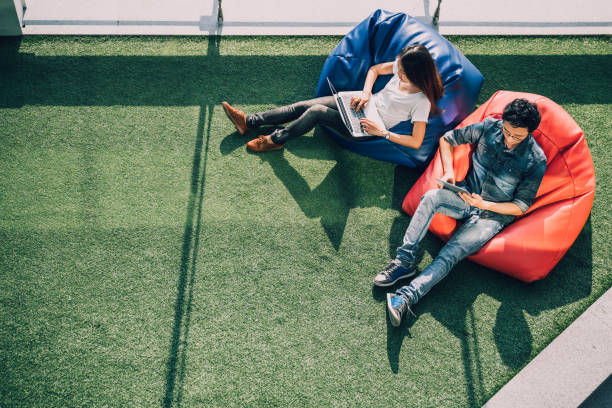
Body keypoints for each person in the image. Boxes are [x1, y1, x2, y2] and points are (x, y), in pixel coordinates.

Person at [375, 98, 547, 326]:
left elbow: (521, 205)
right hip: (465, 195)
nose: (509, 139)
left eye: (517, 136)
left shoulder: (536, 160)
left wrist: (487, 206)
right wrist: (448, 172)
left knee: (451, 252)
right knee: (430, 198)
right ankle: (404, 261)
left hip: (491, 216)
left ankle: (406, 297)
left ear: (530, 133)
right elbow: (448, 139)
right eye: (506, 131)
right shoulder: (488, 126)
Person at [221, 44, 444, 152]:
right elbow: (375, 70)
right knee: (305, 105)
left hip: (367, 129)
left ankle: (275, 141)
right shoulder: (402, 67)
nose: (398, 73)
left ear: (417, 75)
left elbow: (416, 142)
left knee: (316, 113)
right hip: (362, 105)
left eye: (403, 73)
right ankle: (248, 121)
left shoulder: (421, 101)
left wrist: (382, 133)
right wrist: (366, 93)